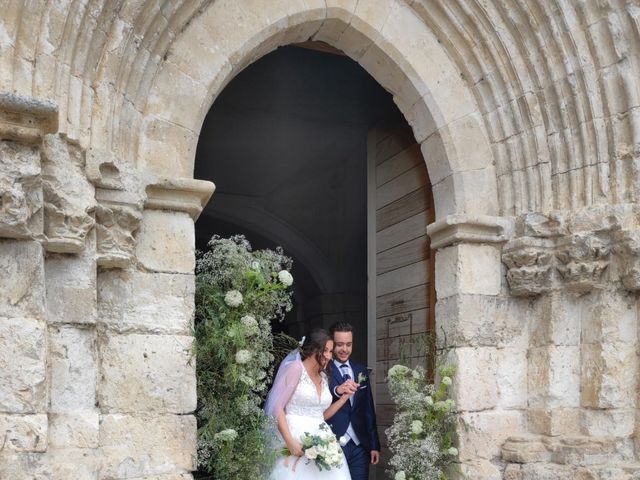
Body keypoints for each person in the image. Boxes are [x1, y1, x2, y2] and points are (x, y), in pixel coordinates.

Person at [265, 328, 353, 479]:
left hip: (322, 439)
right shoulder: (295, 369)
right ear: (312, 349)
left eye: (330, 351)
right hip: (294, 435)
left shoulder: (323, 376)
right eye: (324, 350)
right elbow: (277, 407)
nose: (328, 356)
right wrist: (290, 442)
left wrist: (344, 398)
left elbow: (320, 415)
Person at [328, 321, 381, 480]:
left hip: (360, 446)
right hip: (333, 443)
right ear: (332, 344)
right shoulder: (324, 369)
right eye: (340, 344)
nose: (344, 349)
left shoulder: (361, 370)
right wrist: (338, 391)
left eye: (348, 344)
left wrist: (374, 445)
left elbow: (368, 410)